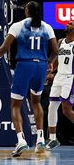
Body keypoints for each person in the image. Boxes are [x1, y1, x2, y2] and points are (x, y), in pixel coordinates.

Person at [0, 1, 58, 157]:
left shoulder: (18, 26)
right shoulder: (48, 27)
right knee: (36, 102)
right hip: (41, 66)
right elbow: (55, 51)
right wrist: (49, 64)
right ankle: (40, 139)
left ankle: (21, 141)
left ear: (27, 11)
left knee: (15, 104)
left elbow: (4, 48)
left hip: (25, 66)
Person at [46, 21, 74, 150]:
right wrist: (51, 69)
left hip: (70, 77)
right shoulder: (60, 41)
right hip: (58, 77)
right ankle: (52, 139)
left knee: (66, 110)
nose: (67, 24)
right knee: (52, 106)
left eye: (71, 23)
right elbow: (57, 59)